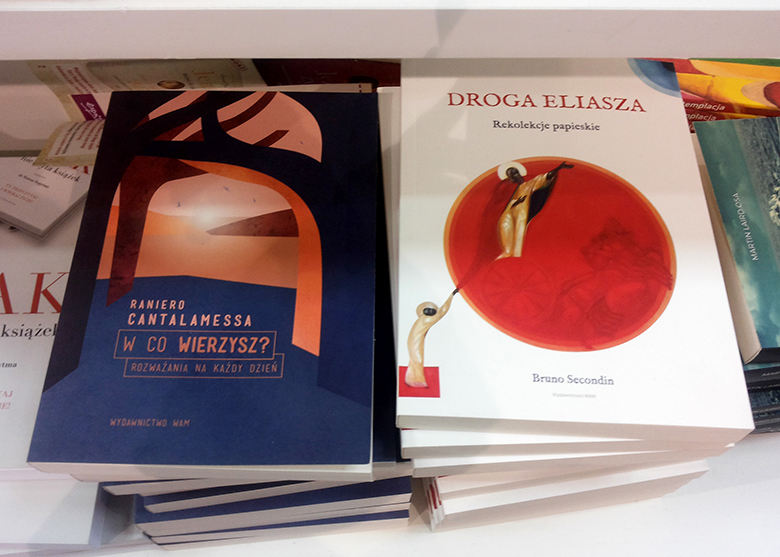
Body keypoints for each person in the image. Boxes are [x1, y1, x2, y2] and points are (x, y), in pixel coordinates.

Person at [496, 161, 573, 259]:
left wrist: (558, 168)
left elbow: (543, 178)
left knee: (516, 246)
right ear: (510, 178)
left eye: (516, 173)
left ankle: (513, 261)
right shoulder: (505, 190)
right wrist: (516, 202)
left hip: (520, 218)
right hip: (506, 218)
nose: (517, 176)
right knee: (507, 250)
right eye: (513, 175)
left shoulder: (527, 185)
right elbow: (499, 204)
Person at [405, 289, 457, 388]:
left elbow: (441, 311)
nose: (430, 311)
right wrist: (451, 295)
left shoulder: (424, 319)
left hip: (415, 341)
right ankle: (416, 381)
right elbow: (442, 311)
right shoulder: (425, 319)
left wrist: (451, 295)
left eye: (431, 309)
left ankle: (413, 380)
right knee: (417, 359)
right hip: (414, 342)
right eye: (427, 309)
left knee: (416, 359)